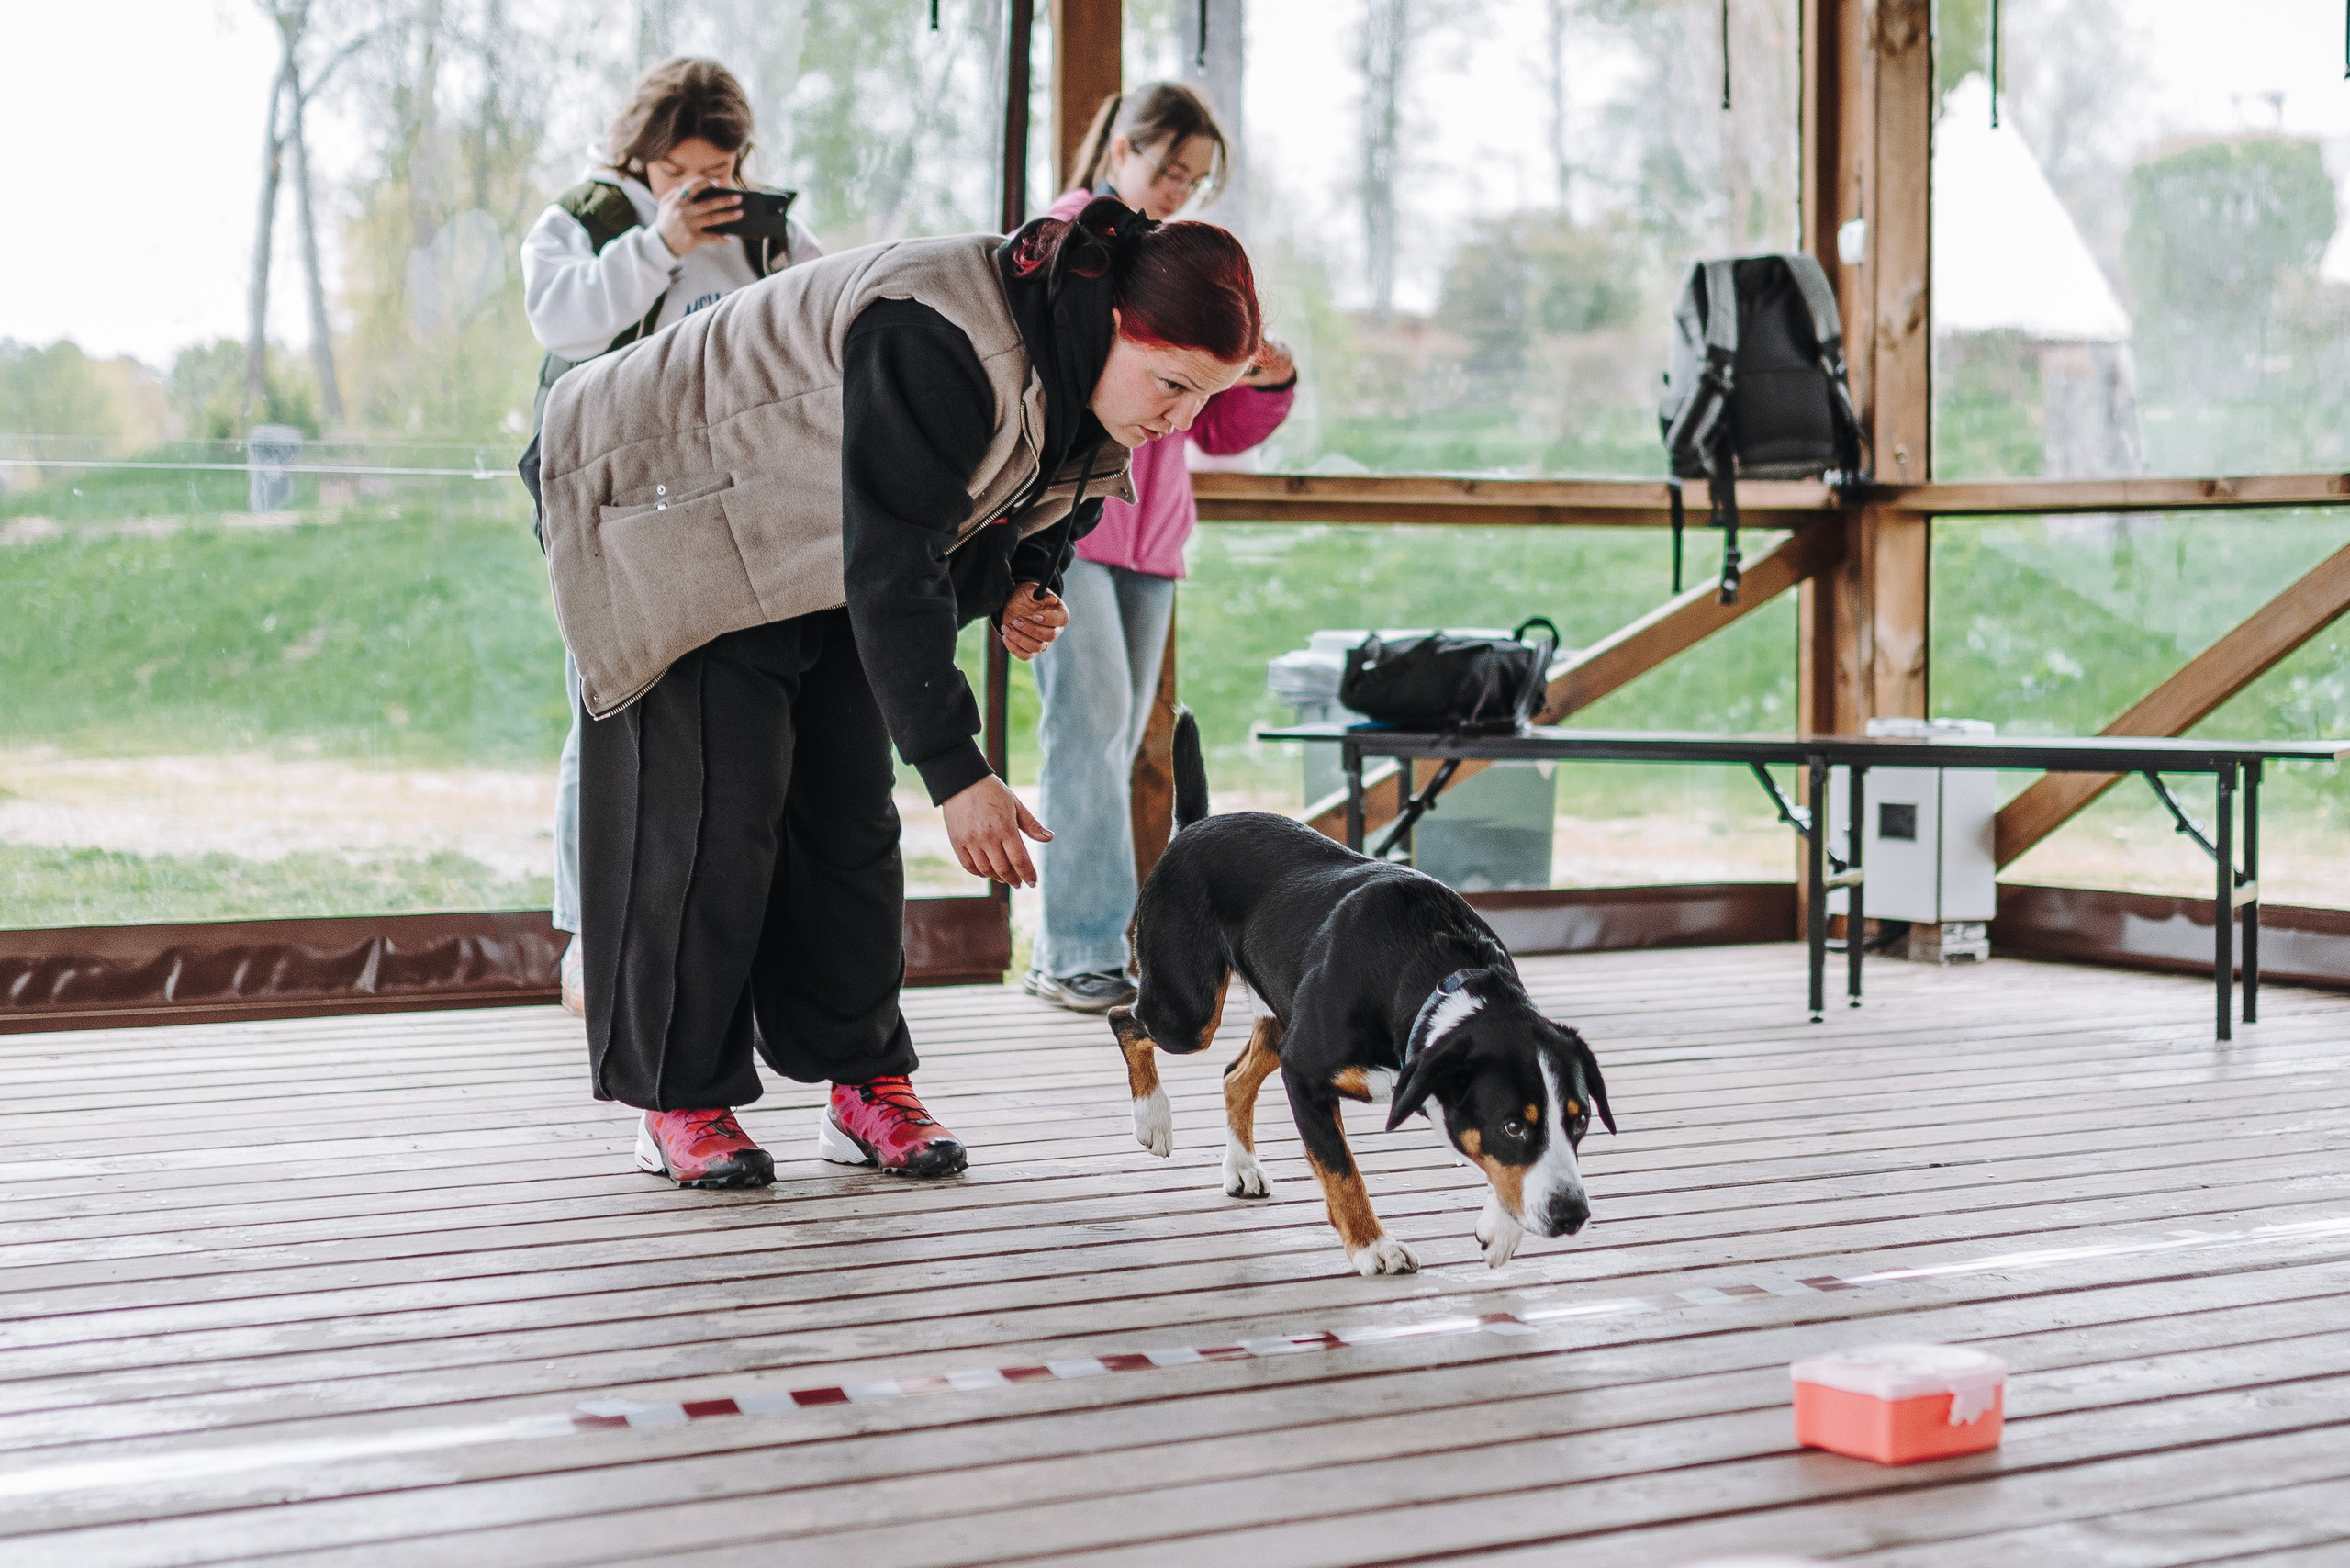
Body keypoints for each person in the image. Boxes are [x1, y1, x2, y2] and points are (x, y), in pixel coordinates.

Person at [527, 197, 1266, 1189]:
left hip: (800, 533)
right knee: (709, 815)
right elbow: (895, 561)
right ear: (1116, 321)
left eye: (1201, 401)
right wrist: (959, 771)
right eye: (1172, 384)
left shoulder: (1077, 349)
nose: (1179, 419)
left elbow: (1027, 497)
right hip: (668, 499)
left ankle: (861, 1078)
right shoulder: (939, 329)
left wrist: (1013, 582)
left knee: (847, 819)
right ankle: (677, 1095)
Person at [518, 57, 822, 1016]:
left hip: (733, 499)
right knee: (604, 706)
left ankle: (723, 938)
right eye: (679, 173)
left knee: (728, 724)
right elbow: (563, 322)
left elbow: (829, 316)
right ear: (641, 157)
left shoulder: (768, 230)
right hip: (606, 493)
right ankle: (589, 934)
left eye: (717, 175)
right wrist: (658, 243)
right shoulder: (588, 217)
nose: (700, 193)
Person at [1024, 84, 1297, 1013]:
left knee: (1117, 735)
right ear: (1118, 149)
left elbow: (1210, 432)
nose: (1180, 188)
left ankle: (1098, 942)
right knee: (1087, 729)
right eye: (1168, 167)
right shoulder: (1067, 243)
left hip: (1153, 541)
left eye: (1195, 177)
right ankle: (1076, 948)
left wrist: (1267, 378)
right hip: (1075, 526)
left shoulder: (1181, 268)